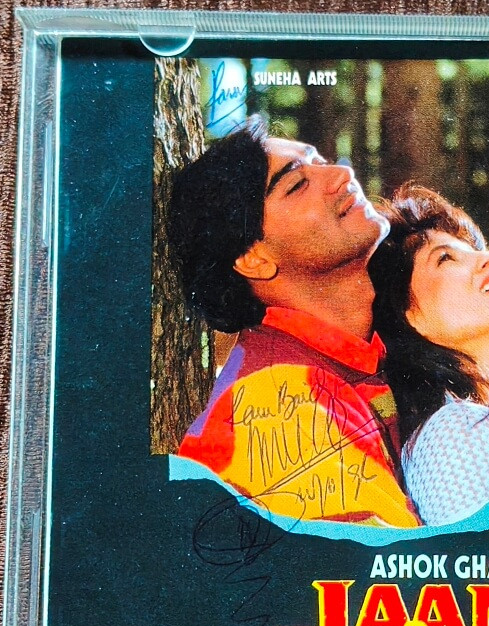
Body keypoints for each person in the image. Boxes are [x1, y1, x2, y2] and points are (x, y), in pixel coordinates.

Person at [169, 118, 419, 528]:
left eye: (321, 162)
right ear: (254, 259)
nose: (342, 175)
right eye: (297, 183)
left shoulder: (364, 355)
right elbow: (382, 565)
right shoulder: (280, 403)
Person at [369, 185, 489, 526]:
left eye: (472, 250)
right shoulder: (459, 432)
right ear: (408, 317)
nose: (488, 258)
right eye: (445, 258)